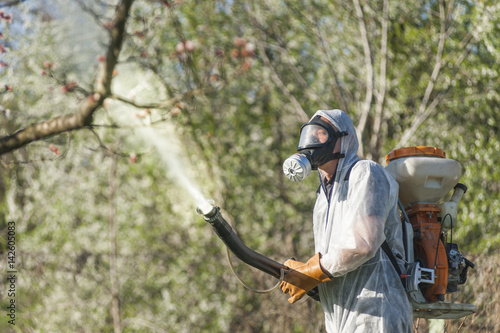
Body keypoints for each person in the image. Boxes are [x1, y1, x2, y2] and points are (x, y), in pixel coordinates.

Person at [279, 109, 413, 332]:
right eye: (309, 134)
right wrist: (307, 277)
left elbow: (363, 244)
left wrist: (313, 271)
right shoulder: (322, 198)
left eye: (321, 134)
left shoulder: (365, 173)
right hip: (340, 320)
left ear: (345, 139)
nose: (312, 140)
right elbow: (335, 262)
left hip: (377, 315)